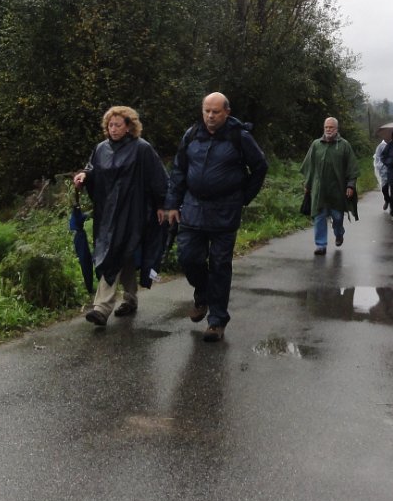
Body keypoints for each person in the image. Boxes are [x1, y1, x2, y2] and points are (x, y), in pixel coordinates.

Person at [163, 92, 268, 342]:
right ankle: (202, 294)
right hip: (193, 208)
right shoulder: (191, 135)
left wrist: (243, 197)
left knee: (220, 266)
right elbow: (178, 170)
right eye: (206, 111)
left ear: (226, 112)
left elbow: (260, 166)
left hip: (225, 211)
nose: (210, 116)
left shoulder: (239, 136)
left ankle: (217, 321)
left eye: (216, 112)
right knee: (188, 257)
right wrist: (173, 204)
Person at [73, 106, 169, 327]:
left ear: (129, 127)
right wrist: (83, 176)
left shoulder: (142, 149)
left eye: (118, 125)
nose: (113, 129)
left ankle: (101, 308)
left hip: (133, 211)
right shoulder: (101, 149)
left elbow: (158, 178)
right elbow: (92, 170)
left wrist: (162, 205)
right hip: (107, 212)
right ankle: (130, 298)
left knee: (114, 252)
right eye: (110, 125)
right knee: (123, 253)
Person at [301, 117, 359, 255]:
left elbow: (352, 167)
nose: (328, 129)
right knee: (319, 217)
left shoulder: (344, 145)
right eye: (326, 127)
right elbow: (310, 167)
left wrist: (350, 185)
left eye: (331, 127)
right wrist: (308, 185)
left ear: (336, 129)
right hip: (319, 191)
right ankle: (321, 245)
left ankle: (339, 233)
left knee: (337, 218)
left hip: (337, 191)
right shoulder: (316, 145)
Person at [373, 138, 391, 211]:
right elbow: (377, 158)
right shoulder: (381, 146)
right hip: (384, 171)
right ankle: (387, 199)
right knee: (384, 188)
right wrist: (381, 167)